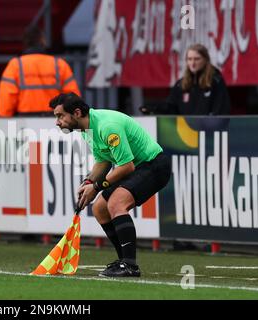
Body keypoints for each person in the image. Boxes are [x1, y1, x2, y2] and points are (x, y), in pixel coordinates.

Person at [50, 93, 171, 277]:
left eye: (60, 116)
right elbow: (103, 162)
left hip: (154, 165)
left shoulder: (107, 127)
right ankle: (124, 261)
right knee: (100, 208)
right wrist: (89, 183)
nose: (57, 122)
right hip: (138, 168)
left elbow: (126, 166)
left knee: (116, 203)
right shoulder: (86, 130)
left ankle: (130, 265)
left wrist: (97, 187)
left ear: (76, 113)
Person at [0, 26, 81, 117]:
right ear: (43, 41)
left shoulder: (15, 65)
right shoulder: (59, 64)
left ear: (25, 43)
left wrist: (4, 118)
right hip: (54, 121)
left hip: (25, 122)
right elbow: (73, 99)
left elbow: (6, 99)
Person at [140, 43, 230, 115]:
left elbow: (221, 110)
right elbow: (171, 107)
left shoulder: (215, 81)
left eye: (197, 59)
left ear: (205, 59)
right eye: (189, 59)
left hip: (208, 132)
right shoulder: (181, 84)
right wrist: (153, 108)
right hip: (186, 133)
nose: (192, 63)